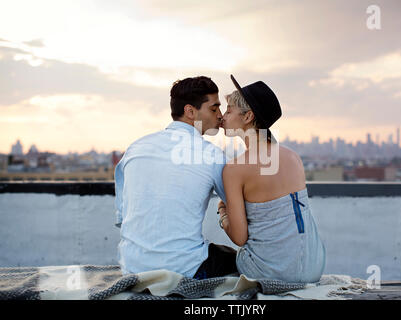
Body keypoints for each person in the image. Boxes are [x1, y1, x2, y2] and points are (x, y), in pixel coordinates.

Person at [114, 76, 237, 279]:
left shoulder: (135, 148)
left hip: (132, 268)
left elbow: (123, 218)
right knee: (238, 260)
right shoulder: (212, 155)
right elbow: (239, 208)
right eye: (214, 109)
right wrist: (223, 211)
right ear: (190, 111)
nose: (220, 116)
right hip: (185, 270)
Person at [218, 74, 326, 283]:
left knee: (215, 255)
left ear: (248, 117)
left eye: (229, 110)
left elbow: (239, 238)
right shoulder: (293, 157)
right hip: (313, 267)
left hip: (269, 273)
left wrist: (222, 212)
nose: (222, 116)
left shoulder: (235, 169)